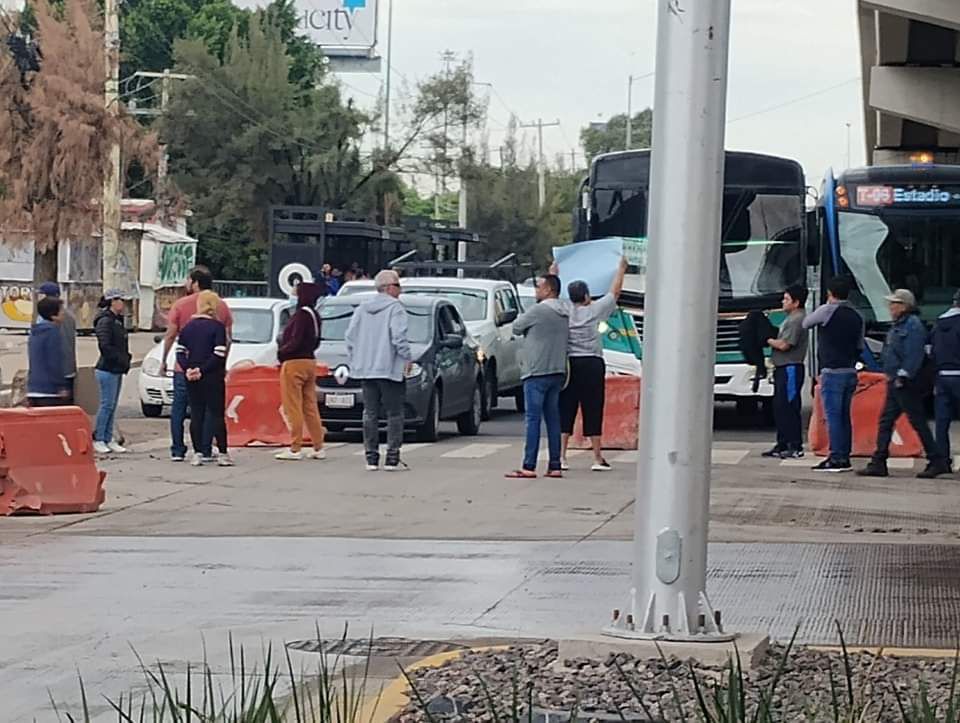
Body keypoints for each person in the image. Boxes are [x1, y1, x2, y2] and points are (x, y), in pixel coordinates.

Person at [859, 289, 950, 479]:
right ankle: (879, 460)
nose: (890, 307)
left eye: (894, 304)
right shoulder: (899, 325)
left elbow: (914, 354)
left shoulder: (912, 326)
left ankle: (936, 460)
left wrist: (903, 375)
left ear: (904, 306)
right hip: (896, 381)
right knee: (887, 421)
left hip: (905, 382)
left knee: (916, 421)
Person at [559, 257, 628, 472]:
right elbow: (614, 293)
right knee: (593, 408)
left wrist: (556, 270)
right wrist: (621, 270)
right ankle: (597, 457)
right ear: (587, 296)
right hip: (592, 364)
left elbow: (555, 295)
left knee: (566, 408)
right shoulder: (594, 310)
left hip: (569, 365)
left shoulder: (564, 310)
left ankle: (561, 457)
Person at [161, 266, 233, 462]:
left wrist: (164, 360)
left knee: (181, 409)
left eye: (188, 280)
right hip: (211, 370)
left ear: (195, 283)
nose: (186, 284)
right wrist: (220, 364)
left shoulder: (181, 306)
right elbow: (227, 341)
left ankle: (178, 449)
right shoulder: (223, 307)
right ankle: (206, 448)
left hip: (184, 369)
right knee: (212, 410)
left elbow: (171, 336)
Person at [345, 269, 412, 471]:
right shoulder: (396, 308)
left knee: (370, 413)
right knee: (394, 413)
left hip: (366, 369)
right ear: (390, 287)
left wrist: (357, 360)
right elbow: (398, 337)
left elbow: (350, 337)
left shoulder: (362, 309)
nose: (400, 290)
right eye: (399, 286)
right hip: (389, 368)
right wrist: (407, 357)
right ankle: (392, 457)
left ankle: (371, 458)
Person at [506, 273, 570, 479]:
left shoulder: (538, 310)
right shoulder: (564, 311)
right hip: (557, 370)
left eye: (539, 287)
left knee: (533, 419)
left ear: (548, 290)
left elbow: (516, 327)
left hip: (536, 371)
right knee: (553, 419)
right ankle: (555, 464)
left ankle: (529, 465)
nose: (536, 291)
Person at [802, 277, 864, 472]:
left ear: (830, 293)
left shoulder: (827, 310)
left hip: (832, 370)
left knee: (833, 417)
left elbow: (806, 323)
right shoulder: (857, 315)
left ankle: (836, 457)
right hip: (850, 371)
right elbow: (860, 345)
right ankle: (844, 455)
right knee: (844, 417)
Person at [176, 290, 233, 467]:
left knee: (196, 414)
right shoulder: (217, 328)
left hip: (191, 376)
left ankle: (197, 453)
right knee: (216, 414)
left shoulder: (188, 327)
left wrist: (189, 369)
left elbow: (179, 352)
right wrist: (203, 369)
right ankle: (223, 453)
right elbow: (219, 353)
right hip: (212, 376)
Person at [275, 282, 327, 461]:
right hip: (309, 361)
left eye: (295, 293)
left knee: (293, 406)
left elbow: (294, 340)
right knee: (310, 405)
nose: (293, 296)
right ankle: (318, 445)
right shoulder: (315, 315)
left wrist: (282, 353)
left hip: (294, 362)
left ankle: (295, 447)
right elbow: (317, 340)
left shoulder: (300, 316)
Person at [762, 285, 810, 459]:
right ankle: (782, 443)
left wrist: (767, 339)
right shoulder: (789, 318)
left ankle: (794, 445)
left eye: (786, 299)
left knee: (789, 407)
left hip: (791, 367)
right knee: (780, 407)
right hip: (782, 367)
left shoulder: (796, 320)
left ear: (796, 302)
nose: (783, 302)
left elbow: (785, 345)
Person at [93, 291, 132, 455]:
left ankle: (109, 438)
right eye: (120, 300)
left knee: (112, 406)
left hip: (117, 368)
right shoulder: (105, 321)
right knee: (106, 404)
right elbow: (105, 345)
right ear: (112, 302)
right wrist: (120, 359)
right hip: (107, 369)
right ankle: (99, 438)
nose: (123, 304)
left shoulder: (118, 321)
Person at [931, 289, 960, 468]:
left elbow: (929, 351)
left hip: (942, 376)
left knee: (942, 422)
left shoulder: (938, 324)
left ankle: (942, 460)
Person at [37, 282, 77, 404]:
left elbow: (49, 351)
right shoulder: (70, 316)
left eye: (42, 295)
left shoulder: (46, 319)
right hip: (69, 369)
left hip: (53, 374)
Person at [27, 296, 70, 407]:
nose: (64, 313)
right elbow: (54, 360)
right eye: (61, 310)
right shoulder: (53, 332)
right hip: (50, 391)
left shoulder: (35, 331)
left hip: (33, 388)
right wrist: (61, 385)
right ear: (53, 315)